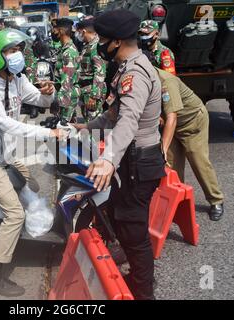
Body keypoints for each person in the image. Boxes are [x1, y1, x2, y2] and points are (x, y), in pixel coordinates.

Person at [73, 9, 166, 300]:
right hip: (134, 159)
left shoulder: (135, 74)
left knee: (133, 231)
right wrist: (85, 126)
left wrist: (108, 159)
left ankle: (143, 292)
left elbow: (129, 121)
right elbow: (114, 114)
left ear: (115, 42)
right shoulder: (129, 67)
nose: (99, 44)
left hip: (141, 161)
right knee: (118, 215)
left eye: (102, 39)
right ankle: (137, 277)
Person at [0, 29, 65, 297]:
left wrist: (48, 92)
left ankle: (23, 241)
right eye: (11, 51)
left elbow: (38, 99)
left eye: (19, 49)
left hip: (8, 158)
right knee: (15, 214)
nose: (17, 55)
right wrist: (48, 133)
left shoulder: (15, 78)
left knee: (32, 187)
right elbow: (3, 123)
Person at [157, 67, 225, 221]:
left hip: (192, 122)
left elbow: (172, 116)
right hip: (172, 124)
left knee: (198, 161)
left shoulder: (165, 82)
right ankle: (177, 201)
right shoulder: (145, 80)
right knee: (170, 166)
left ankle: (216, 200)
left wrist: (163, 148)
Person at [75, 18, 107, 122]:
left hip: (92, 91)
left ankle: (96, 138)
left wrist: (94, 96)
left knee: (94, 123)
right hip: (86, 90)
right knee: (88, 120)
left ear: (83, 31)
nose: (77, 35)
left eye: (78, 32)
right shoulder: (88, 45)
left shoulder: (95, 47)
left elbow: (99, 72)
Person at [52, 18, 81, 121]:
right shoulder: (64, 49)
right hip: (66, 94)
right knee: (70, 127)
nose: (53, 32)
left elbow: (67, 81)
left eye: (55, 29)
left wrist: (58, 101)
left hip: (67, 96)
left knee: (63, 128)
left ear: (61, 31)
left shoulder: (69, 52)